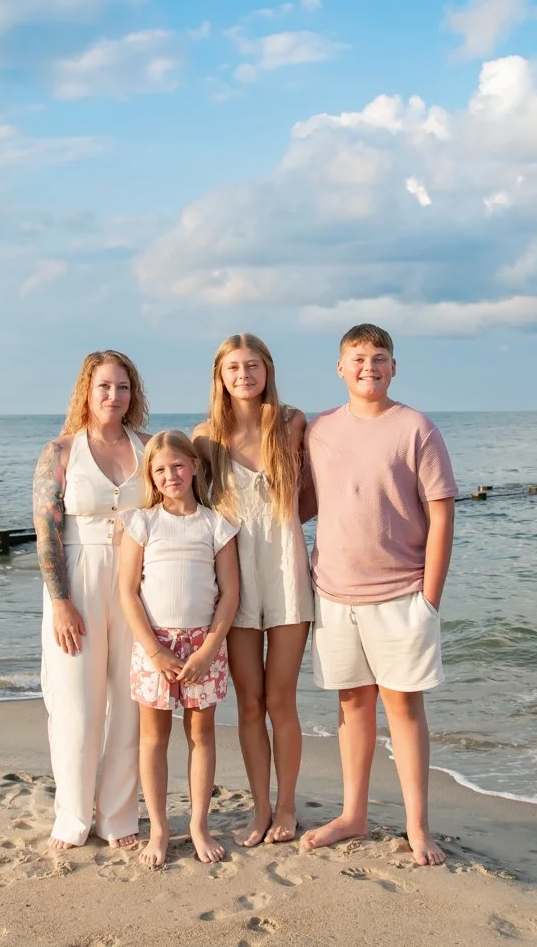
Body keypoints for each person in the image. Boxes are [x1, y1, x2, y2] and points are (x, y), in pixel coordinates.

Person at [298, 323, 457, 867]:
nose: (369, 367)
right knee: (352, 704)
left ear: (394, 367)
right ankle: (353, 815)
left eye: (379, 358)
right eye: (359, 358)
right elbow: (306, 503)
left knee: (404, 709)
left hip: (401, 594)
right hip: (333, 593)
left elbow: (442, 516)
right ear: (341, 368)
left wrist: (429, 599)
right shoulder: (319, 430)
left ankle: (418, 826)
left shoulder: (416, 429)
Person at [192, 334, 314, 847]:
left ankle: (286, 808)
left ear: (268, 369)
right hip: (235, 583)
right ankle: (260, 810)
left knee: (281, 700)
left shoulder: (291, 423)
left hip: (287, 575)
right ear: (220, 376)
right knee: (249, 703)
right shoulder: (205, 437)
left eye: (253, 365)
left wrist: (277, 530)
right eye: (234, 368)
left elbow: (312, 498)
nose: (244, 375)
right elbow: (190, 510)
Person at [31, 349, 149, 851]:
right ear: (87, 390)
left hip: (138, 583)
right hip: (78, 580)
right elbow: (46, 532)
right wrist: (60, 602)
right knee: (75, 703)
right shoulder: (60, 452)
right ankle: (73, 816)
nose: (113, 395)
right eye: (104, 386)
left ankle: (118, 816)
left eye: (122, 386)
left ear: (132, 393)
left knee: (131, 704)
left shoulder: (149, 448)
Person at [117, 431, 240, 867]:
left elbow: (230, 594)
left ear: (195, 466)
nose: (170, 476)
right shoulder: (142, 523)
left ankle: (198, 825)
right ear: (151, 476)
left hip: (203, 645)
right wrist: (155, 652)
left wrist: (208, 650)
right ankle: (159, 829)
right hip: (155, 646)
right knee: (153, 738)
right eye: (160, 470)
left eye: (178, 466)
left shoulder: (216, 525)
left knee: (201, 734)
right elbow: (127, 592)